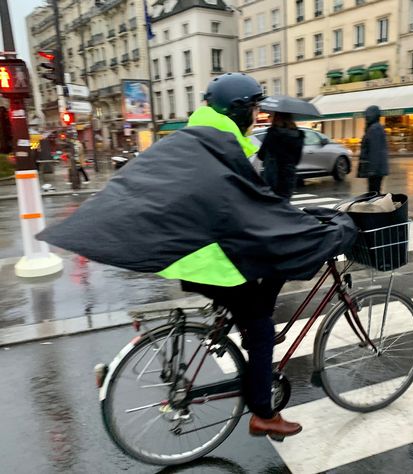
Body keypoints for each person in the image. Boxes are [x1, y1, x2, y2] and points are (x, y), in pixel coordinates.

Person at [36, 72, 357, 441]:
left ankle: (252, 334)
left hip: (188, 255)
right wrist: (315, 229)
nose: (257, 115)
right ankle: (264, 415)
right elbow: (248, 207)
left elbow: (246, 201)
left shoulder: (196, 137)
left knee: (262, 290)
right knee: (262, 323)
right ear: (238, 110)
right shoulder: (223, 148)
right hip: (211, 261)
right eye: (253, 107)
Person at [257, 112, 304, 200]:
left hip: (272, 175)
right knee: (285, 204)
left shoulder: (272, 133)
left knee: (271, 205)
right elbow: (297, 160)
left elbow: (261, 155)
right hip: (288, 175)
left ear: (276, 118)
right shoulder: (298, 135)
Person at [357, 105, 389, 194]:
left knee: (374, 193)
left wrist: (372, 170)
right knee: (375, 192)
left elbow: (375, 151)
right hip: (377, 168)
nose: (366, 117)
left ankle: (376, 207)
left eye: (368, 115)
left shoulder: (374, 129)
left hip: (375, 169)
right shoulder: (375, 127)